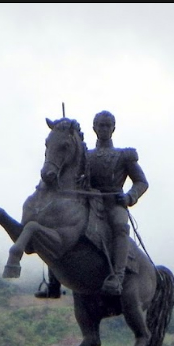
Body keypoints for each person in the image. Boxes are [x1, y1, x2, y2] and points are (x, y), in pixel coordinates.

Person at [36, 110, 148, 298]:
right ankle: (53, 284)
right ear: (94, 128)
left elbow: (142, 182)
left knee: (120, 226)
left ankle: (118, 276)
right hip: (89, 202)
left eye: (107, 125)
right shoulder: (85, 155)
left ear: (113, 128)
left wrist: (129, 197)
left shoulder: (124, 155)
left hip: (113, 202)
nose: (103, 128)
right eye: (100, 125)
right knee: (58, 224)